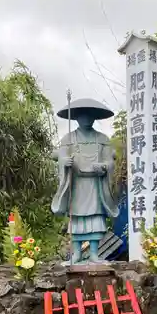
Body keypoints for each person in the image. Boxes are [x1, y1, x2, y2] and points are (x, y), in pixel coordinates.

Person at [51, 98, 119, 264]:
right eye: (83, 116)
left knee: (95, 217)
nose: (87, 120)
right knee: (77, 218)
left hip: (95, 185)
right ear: (76, 118)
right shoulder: (68, 138)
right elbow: (59, 155)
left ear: (95, 118)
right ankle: (76, 254)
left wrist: (103, 167)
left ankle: (95, 254)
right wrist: (64, 162)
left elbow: (110, 160)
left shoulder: (102, 138)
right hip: (76, 184)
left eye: (90, 117)